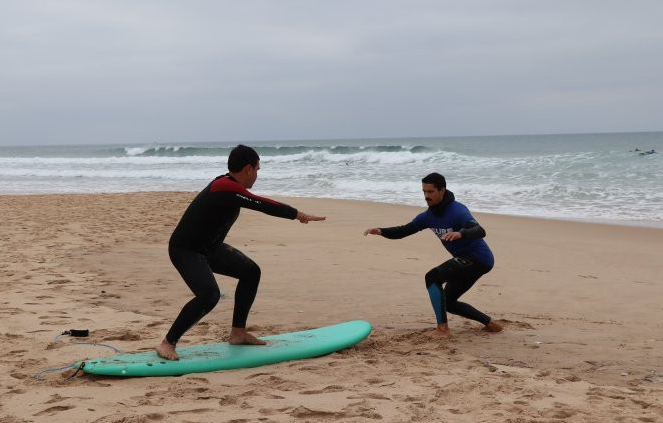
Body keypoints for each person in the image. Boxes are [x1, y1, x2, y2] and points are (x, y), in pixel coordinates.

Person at [157, 144, 326, 360]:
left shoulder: (229, 186)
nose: (257, 175)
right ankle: (168, 343)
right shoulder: (225, 187)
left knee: (250, 272)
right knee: (209, 295)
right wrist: (297, 214)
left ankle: (238, 332)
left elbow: (255, 201)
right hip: (186, 250)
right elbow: (262, 204)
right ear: (248, 169)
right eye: (257, 169)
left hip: (208, 249)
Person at [364, 172, 502, 339]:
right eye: (424, 192)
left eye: (430, 192)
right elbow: (404, 230)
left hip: (478, 258)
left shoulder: (458, 211)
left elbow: (480, 230)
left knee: (432, 276)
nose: (426, 196)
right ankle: (490, 323)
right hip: (468, 261)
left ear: (442, 190)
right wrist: (380, 231)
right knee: (449, 302)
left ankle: (442, 330)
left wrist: (461, 234)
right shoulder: (428, 217)